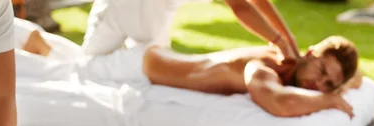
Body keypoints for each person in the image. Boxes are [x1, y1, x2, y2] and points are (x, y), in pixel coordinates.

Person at [14, 20, 361, 118]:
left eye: (328, 84)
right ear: (311, 52)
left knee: (66, 60)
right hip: (134, 68)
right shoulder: (266, 67)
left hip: (149, 58)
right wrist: (327, 101)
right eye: (321, 70)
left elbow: (354, 77)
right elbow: (277, 102)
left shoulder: (287, 59)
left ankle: (30, 37)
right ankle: (7, 32)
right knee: (59, 73)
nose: (319, 84)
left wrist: (340, 86)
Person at [82, 0, 300, 61]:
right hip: (132, 7)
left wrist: (286, 38)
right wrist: (280, 41)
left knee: (142, 68)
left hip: (153, 10)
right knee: (88, 67)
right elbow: (240, 5)